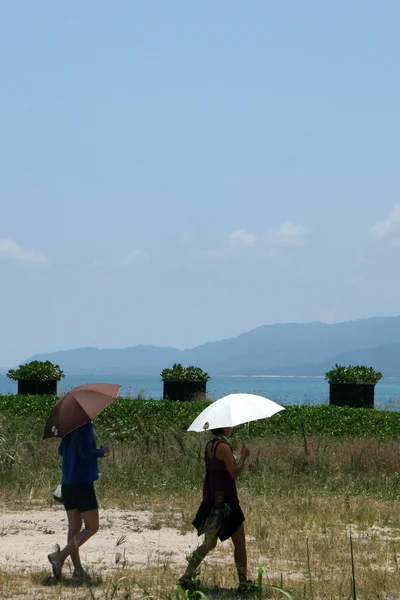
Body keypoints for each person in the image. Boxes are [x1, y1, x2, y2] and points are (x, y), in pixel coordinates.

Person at [178, 426, 256, 594]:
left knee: (209, 543)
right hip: (227, 502)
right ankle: (243, 584)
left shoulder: (210, 445)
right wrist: (243, 457)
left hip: (213, 501)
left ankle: (186, 576)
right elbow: (234, 472)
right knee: (240, 544)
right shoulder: (223, 447)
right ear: (226, 427)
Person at [47, 421, 109, 581]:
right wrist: (101, 452)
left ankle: (78, 571)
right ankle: (59, 558)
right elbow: (85, 452)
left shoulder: (69, 426)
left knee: (74, 528)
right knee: (92, 527)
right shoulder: (85, 425)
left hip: (68, 484)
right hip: (82, 484)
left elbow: (61, 450)